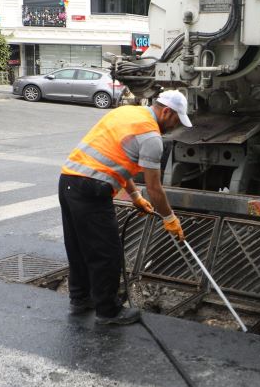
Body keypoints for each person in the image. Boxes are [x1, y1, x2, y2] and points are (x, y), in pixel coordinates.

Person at [59, 90, 192, 324]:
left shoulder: (126, 112)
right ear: (166, 112)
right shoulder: (151, 137)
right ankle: (108, 311)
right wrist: (169, 218)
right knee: (107, 253)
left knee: (78, 247)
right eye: (176, 120)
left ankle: (80, 299)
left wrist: (134, 195)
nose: (175, 127)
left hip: (68, 180)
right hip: (92, 189)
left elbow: (118, 159)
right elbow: (155, 188)